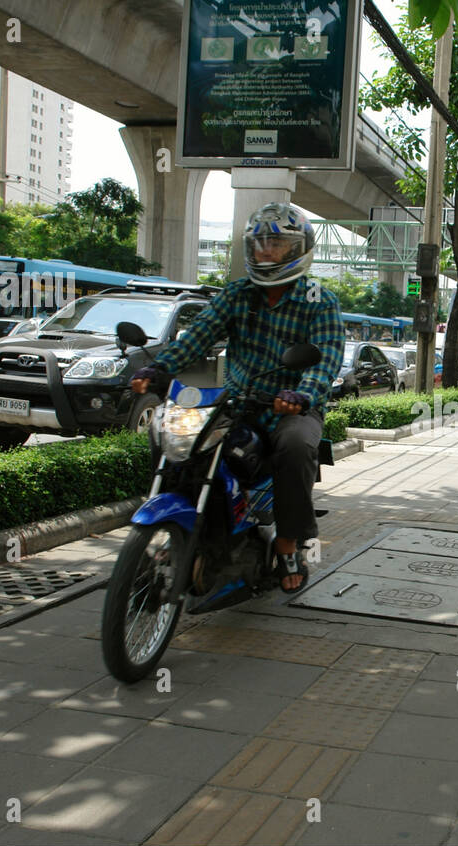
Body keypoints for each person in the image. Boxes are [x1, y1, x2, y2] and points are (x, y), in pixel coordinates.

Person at [129, 202, 343, 594]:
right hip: (238, 400)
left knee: (295, 448)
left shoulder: (319, 300)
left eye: (276, 243)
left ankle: (288, 544)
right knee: (173, 434)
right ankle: (187, 522)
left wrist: (301, 394)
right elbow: (199, 335)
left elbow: (325, 359)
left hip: (291, 407)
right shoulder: (237, 294)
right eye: (260, 242)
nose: (265, 251)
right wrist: (159, 369)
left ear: (297, 249)